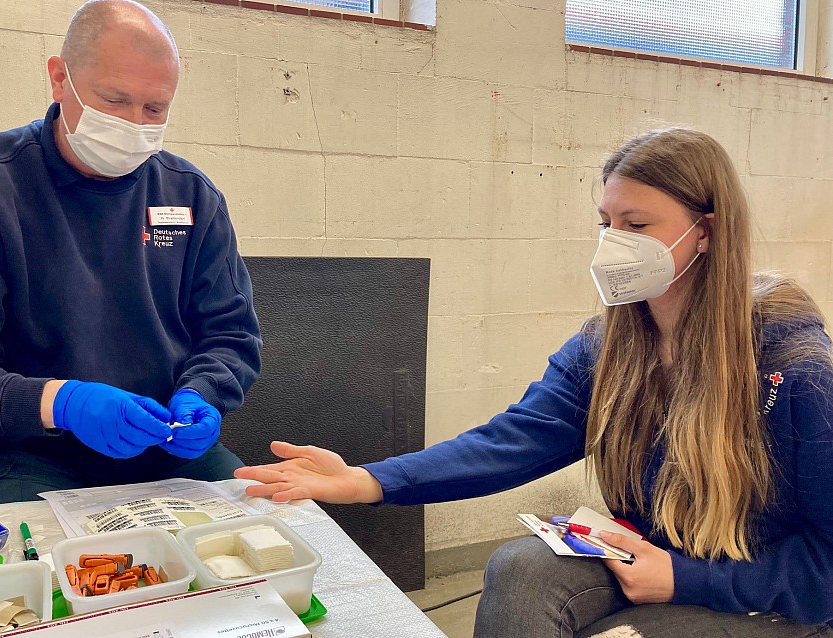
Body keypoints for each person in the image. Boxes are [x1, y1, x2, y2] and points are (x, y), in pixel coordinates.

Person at [235, 128, 833, 637]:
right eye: (607, 222)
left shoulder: (795, 368)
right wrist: (368, 480)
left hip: (766, 589)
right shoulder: (610, 346)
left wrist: (690, 579)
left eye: (637, 224)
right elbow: (513, 441)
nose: (613, 244)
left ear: (705, 230)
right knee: (522, 570)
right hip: (653, 553)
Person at [0, 0, 262, 506]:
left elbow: (231, 334)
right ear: (59, 79)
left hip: (161, 443)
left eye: (154, 108)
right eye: (114, 101)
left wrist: (203, 393)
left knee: (248, 549)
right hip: (12, 452)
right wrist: (58, 402)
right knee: (40, 576)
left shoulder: (190, 195)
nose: (135, 124)